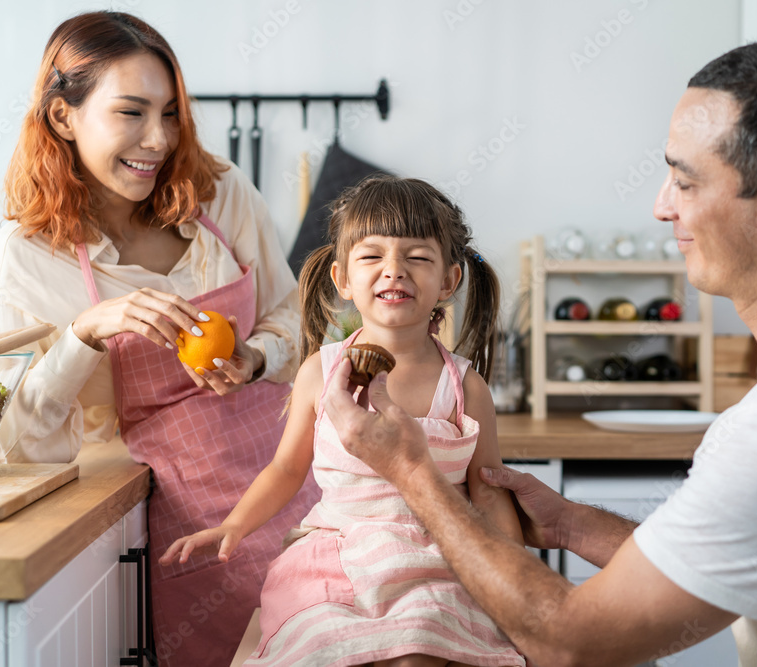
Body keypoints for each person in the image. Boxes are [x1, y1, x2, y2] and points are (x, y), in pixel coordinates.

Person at [320, 37, 757, 667]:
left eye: (684, 180)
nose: (660, 206)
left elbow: (568, 640)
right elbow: (721, 555)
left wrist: (411, 472)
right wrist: (569, 524)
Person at [0, 12, 319, 667]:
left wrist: (256, 356)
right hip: (191, 527)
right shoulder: (24, 257)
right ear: (63, 117)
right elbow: (10, 441)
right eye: (130, 112)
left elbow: (292, 313)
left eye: (169, 113)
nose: (156, 140)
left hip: (297, 485)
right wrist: (85, 333)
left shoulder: (218, 194)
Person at [162, 176, 527, 666]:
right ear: (343, 280)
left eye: (417, 257)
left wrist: (516, 581)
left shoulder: (466, 388)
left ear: (448, 281)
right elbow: (286, 470)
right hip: (338, 557)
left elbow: (489, 490)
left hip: (439, 560)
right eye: (372, 256)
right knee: (330, 650)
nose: (393, 271)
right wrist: (234, 525)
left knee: (417, 650)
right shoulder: (320, 371)